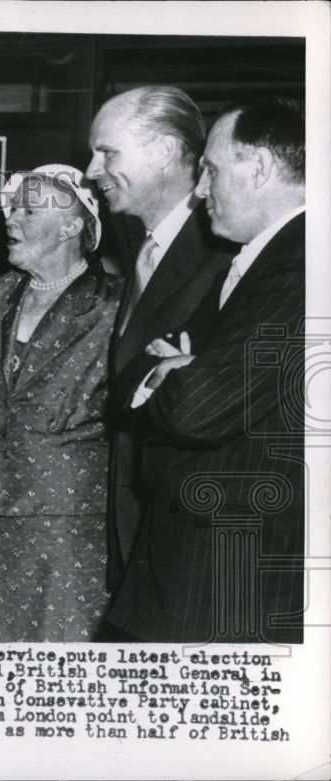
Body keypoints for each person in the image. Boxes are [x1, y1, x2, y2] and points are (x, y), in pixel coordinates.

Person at [104, 97, 305, 643]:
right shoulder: (256, 258)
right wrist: (172, 370)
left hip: (232, 578)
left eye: (211, 170)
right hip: (191, 568)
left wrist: (179, 372)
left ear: (260, 167)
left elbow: (198, 410)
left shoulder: (305, 262)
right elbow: (128, 381)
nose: (199, 190)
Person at [0, 165, 122, 642]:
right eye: (12, 207)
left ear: (72, 225)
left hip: (67, 518)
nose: (11, 219)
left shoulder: (114, 305)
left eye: (27, 208)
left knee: (56, 659)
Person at [85, 86, 237, 595]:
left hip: (190, 541)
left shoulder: (225, 254)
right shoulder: (143, 250)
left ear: (167, 153)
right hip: (138, 529)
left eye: (107, 152)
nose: (91, 170)